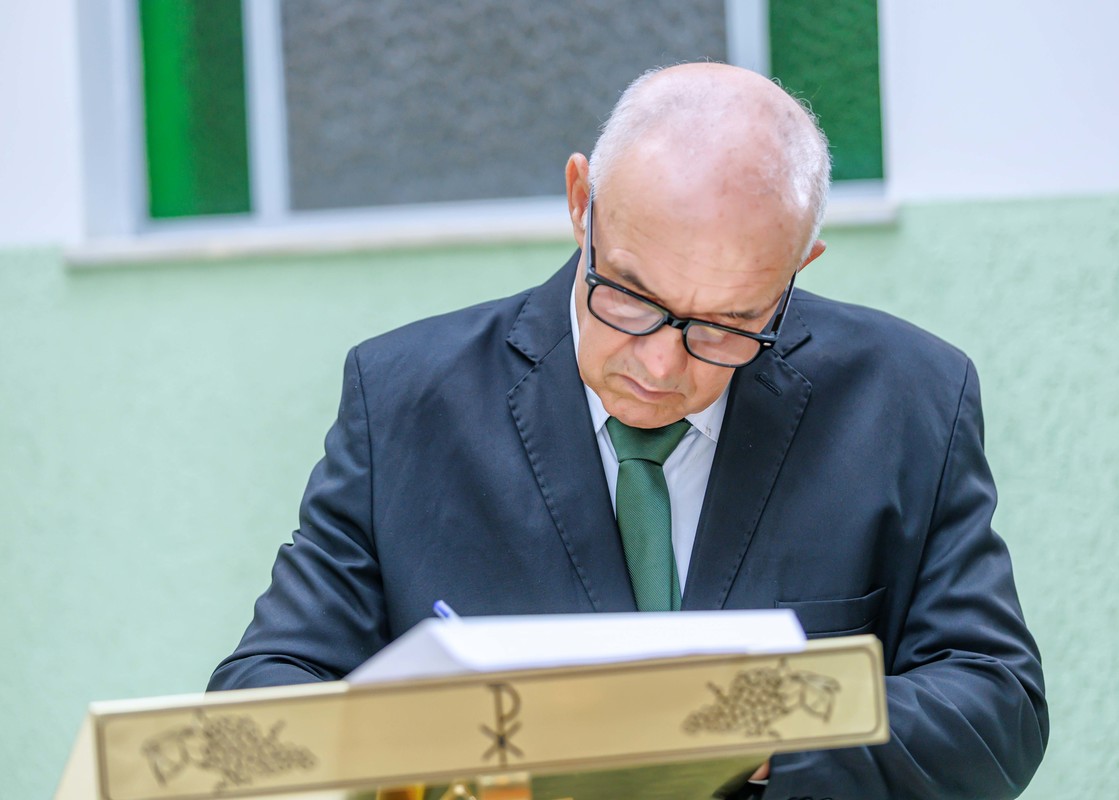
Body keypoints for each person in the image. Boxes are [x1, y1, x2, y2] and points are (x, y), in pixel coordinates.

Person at [209, 63, 1048, 799]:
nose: (661, 365)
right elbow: (259, 701)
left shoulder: (909, 397)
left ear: (799, 265)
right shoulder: (403, 399)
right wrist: (456, 738)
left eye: (729, 324)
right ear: (582, 202)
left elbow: (997, 708)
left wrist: (755, 721)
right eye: (632, 299)